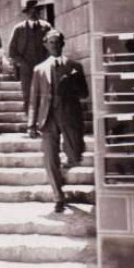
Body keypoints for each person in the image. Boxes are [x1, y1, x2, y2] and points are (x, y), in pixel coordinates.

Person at [27, 28, 89, 213]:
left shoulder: (75, 66)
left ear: (63, 44)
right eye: (51, 43)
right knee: (49, 158)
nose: (54, 46)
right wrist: (31, 124)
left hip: (69, 115)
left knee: (75, 154)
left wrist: (72, 83)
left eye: (58, 42)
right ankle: (58, 196)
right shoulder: (39, 69)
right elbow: (33, 98)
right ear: (45, 45)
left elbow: (84, 94)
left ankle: (66, 165)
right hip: (47, 118)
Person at [8, 0, 52, 114]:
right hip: (26, 68)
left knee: (43, 94)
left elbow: (52, 45)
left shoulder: (46, 27)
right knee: (28, 94)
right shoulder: (19, 29)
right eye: (31, 11)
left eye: (36, 11)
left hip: (43, 67)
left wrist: (47, 62)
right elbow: (12, 50)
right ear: (27, 13)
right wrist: (21, 63)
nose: (34, 14)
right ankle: (31, 124)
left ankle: (42, 122)